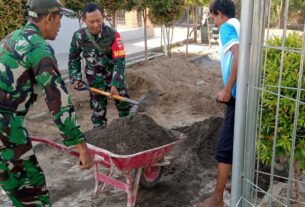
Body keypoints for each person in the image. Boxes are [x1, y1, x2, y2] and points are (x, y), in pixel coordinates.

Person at [0, 0, 94, 206]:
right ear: (49, 17)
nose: (60, 24)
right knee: (33, 195)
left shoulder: (13, 37)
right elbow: (58, 101)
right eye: (59, 17)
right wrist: (82, 147)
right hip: (5, 127)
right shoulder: (39, 49)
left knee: (16, 190)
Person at [194, 0, 240, 207]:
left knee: (224, 148)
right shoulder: (239, 25)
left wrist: (228, 89)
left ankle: (217, 199)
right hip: (244, 92)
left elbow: (238, 55)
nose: (213, 20)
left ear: (220, 13)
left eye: (213, 16)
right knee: (236, 143)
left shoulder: (226, 27)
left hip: (238, 94)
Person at [68, 2, 131, 129]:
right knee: (98, 115)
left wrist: (116, 83)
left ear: (102, 17)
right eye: (92, 22)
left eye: (99, 20)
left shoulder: (113, 34)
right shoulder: (79, 36)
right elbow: (74, 57)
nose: (96, 25)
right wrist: (76, 77)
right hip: (95, 82)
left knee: (125, 109)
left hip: (114, 78)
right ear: (84, 20)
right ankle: (100, 138)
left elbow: (120, 60)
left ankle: (128, 133)